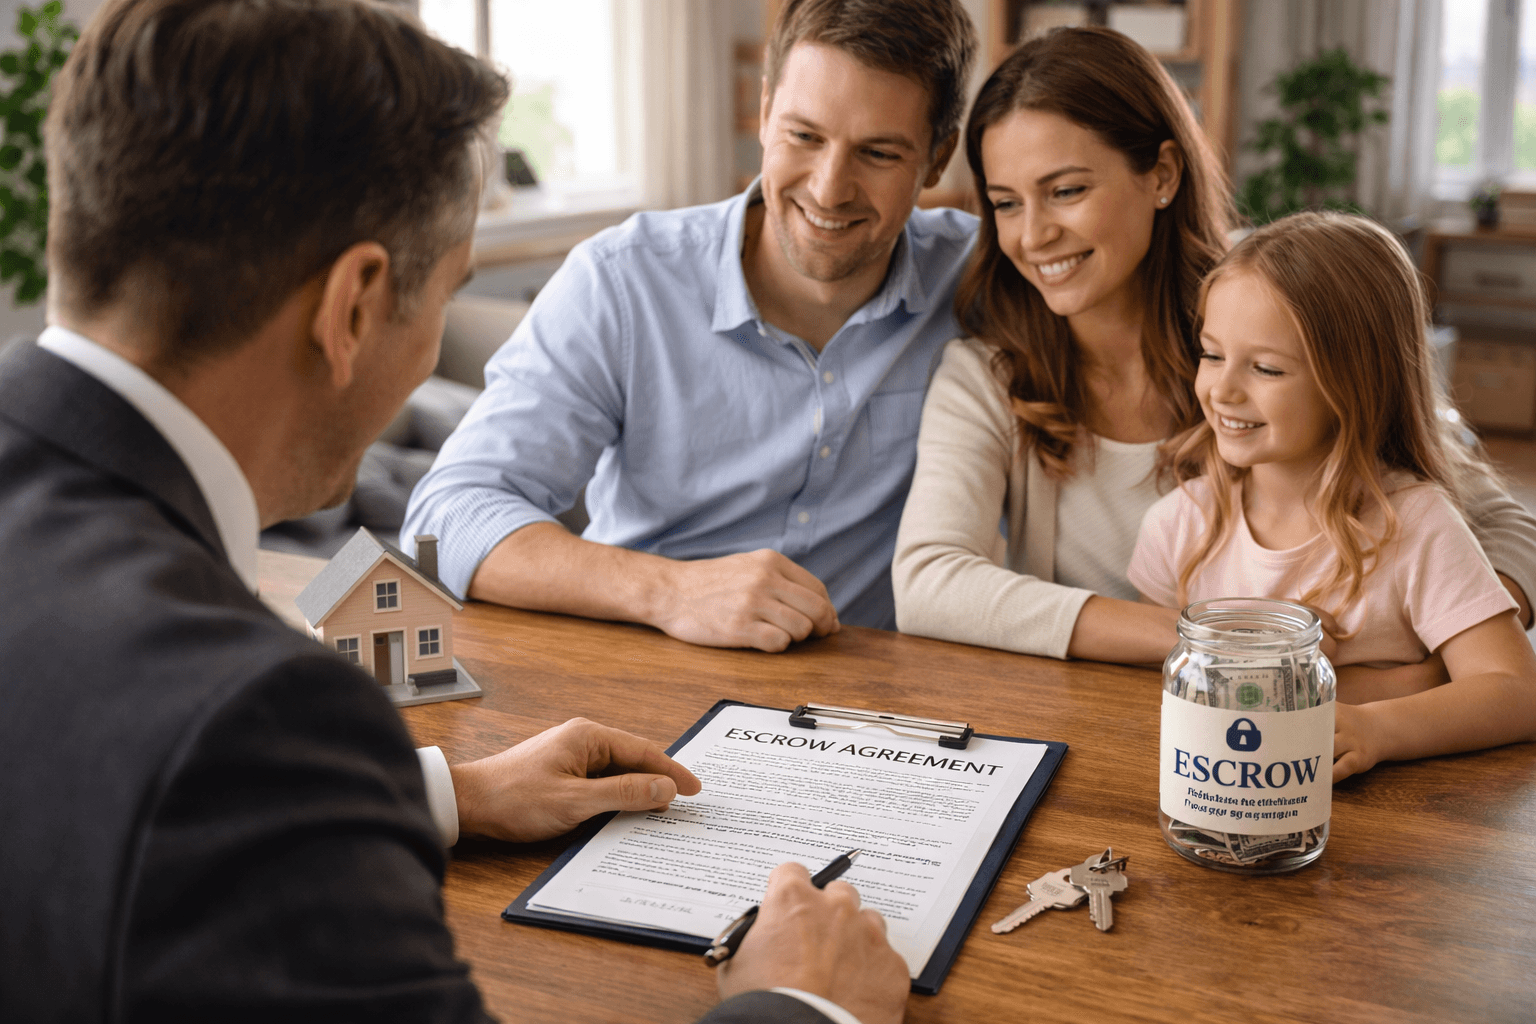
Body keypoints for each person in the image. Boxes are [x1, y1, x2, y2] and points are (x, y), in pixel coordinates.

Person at [0, 2, 907, 1022]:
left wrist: (444, 793)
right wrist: (795, 1002)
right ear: (353, 307)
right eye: (451, 292)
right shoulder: (255, 717)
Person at [892, 27, 1536, 671]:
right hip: (1134, 707)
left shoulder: (1264, 305)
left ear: (1163, 174)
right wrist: (1232, 644)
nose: (1034, 235)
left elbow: (1501, 521)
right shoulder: (987, 375)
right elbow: (929, 583)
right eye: (1006, 203)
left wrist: (1457, 642)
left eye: (1067, 191)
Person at [402, 0, 979, 652]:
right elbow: (443, 520)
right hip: (644, 680)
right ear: (764, 114)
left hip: (872, 711)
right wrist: (670, 591)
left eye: (877, 152)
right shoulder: (623, 283)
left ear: (937, 158)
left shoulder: (981, 277)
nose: (829, 188)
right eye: (804, 136)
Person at [1127, 211, 1536, 781]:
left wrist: (1381, 727)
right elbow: (1169, 680)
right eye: (1212, 354)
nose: (1222, 389)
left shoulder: (1418, 525)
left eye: (1266, 368)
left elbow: (1517, 692)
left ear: (1356, 380)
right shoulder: (1177, 523)